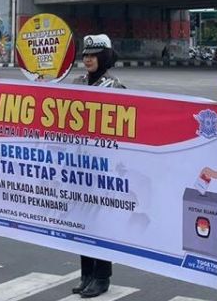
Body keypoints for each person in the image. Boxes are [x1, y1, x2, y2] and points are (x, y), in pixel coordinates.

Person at [68, 33, 127, 298]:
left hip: (103, 167)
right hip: (78, 165)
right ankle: (86, 274)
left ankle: (102, 276)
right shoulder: (76, 82)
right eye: (85, 55)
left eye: (93, 54)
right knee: (82, 222)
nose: (88, 59)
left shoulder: (115, 87)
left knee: (101, 223)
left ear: (104, 57)